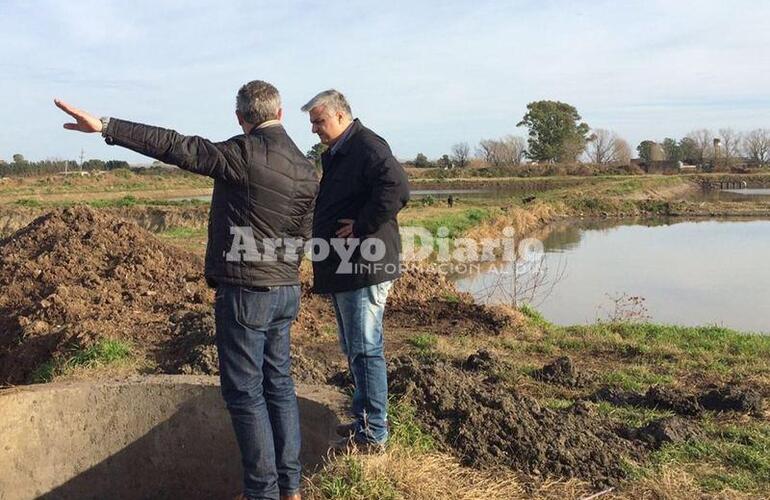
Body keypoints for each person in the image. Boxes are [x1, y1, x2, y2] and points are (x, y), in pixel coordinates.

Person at [55, 80, 318, 500]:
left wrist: (106, 125)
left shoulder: (241, 153)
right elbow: (304, 234)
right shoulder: (306, 167)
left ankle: (262, 492)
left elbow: (176, 146)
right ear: (281, 113)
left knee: (246, 392)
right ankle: (290, 488)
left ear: (240, 118)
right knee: (279, 384)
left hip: (247, 292)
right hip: (286, 288)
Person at [301, 90, 409, 448]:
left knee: (365, 348)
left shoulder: (366, 145)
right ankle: (365, 420)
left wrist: (362, 226)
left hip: (365, 265)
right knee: (355, 347)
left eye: (320, 121)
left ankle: (374, 432)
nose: (315, 129)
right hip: (347, 266)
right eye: (313, 122)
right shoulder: (340, 151)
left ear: (342, 116)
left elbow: (397, 187)